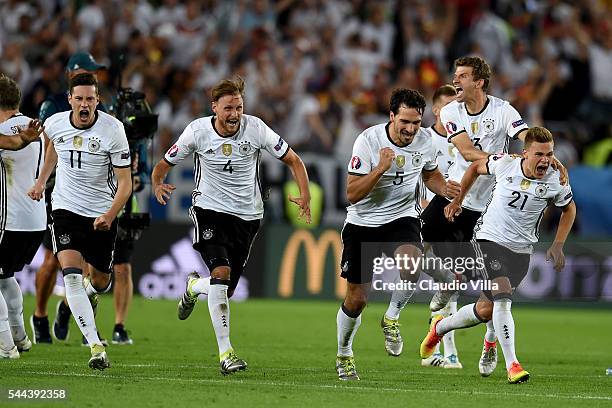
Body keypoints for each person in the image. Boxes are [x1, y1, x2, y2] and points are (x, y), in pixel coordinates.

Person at [151, 77, 311, 375]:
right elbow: (163, 164)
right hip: (210, 210)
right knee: (221, 275)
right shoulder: (196, 132)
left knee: (223, 288)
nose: (234, 114)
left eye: (238, 107)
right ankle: (226, 353)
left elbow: (294, 160)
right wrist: (157, 183)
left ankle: (193, 286)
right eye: (228, 108)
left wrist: (304, 194)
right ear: (215, 108)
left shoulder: (256, 128)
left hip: (248, 217)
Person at [420, 56, 565, 376]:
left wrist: (545, 158)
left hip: (488, 209)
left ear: (479, 82)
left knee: (494, 298)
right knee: (424, 246)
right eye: (454, 75)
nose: (455, 81)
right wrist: (512, 160)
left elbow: (530, 139)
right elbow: (469, 154)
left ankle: (487, 342)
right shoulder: (451, 111)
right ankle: (448, 288)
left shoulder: (503, 111)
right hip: (455, 197)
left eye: (462, 76)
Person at [335, 88, 460, 381]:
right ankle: (344, 354)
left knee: (412, 262)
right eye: (405, 121)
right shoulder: (368, 140)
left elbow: (430, 175)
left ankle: (391, 318)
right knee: (357, 300)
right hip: (362, 223)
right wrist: (380, 168)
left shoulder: (426, 141)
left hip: (401, 218)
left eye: (416, 122)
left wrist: (446, 190)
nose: (411, 129)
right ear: (391, 116)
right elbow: (352, 194)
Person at [28, 73, 132, 370]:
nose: (84, 104)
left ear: (98, 100)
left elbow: (124, 183)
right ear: (70, 99)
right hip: (65, 210)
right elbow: (52, 150)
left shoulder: (114, 130)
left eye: (90, 99)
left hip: (101, 215)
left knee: (100, 283)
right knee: (71, 275)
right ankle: (96, 347)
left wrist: (110, 215)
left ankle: (68, 306)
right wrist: (40, 182)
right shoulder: (56, 123)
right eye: (80, 98)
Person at [30, 51, 107, 345]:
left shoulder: (100, 104)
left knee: (91, 267)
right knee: (52, 260)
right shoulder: (53, 105)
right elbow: (44, 144)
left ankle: (80, 318)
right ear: (72, 74)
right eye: (89, 70)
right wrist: (40, 181)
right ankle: (39, 315)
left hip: (92, 194)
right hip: (57, 190)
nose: (95, 74)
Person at [416, 84, 463, 369]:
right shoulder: (423, 139)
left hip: (451, 218)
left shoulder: (461, 141)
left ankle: (446, 352)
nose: (453, 114)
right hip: (422, 217)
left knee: (451, 283)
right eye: (447, 108)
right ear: (435, 110)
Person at [0, 75, 45, 359]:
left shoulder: (3, 130)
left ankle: (6, 347)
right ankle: (21, 337)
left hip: (10, 220)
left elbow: (12, 144)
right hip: (36, 220)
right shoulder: (36, 127)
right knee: (5, 277)